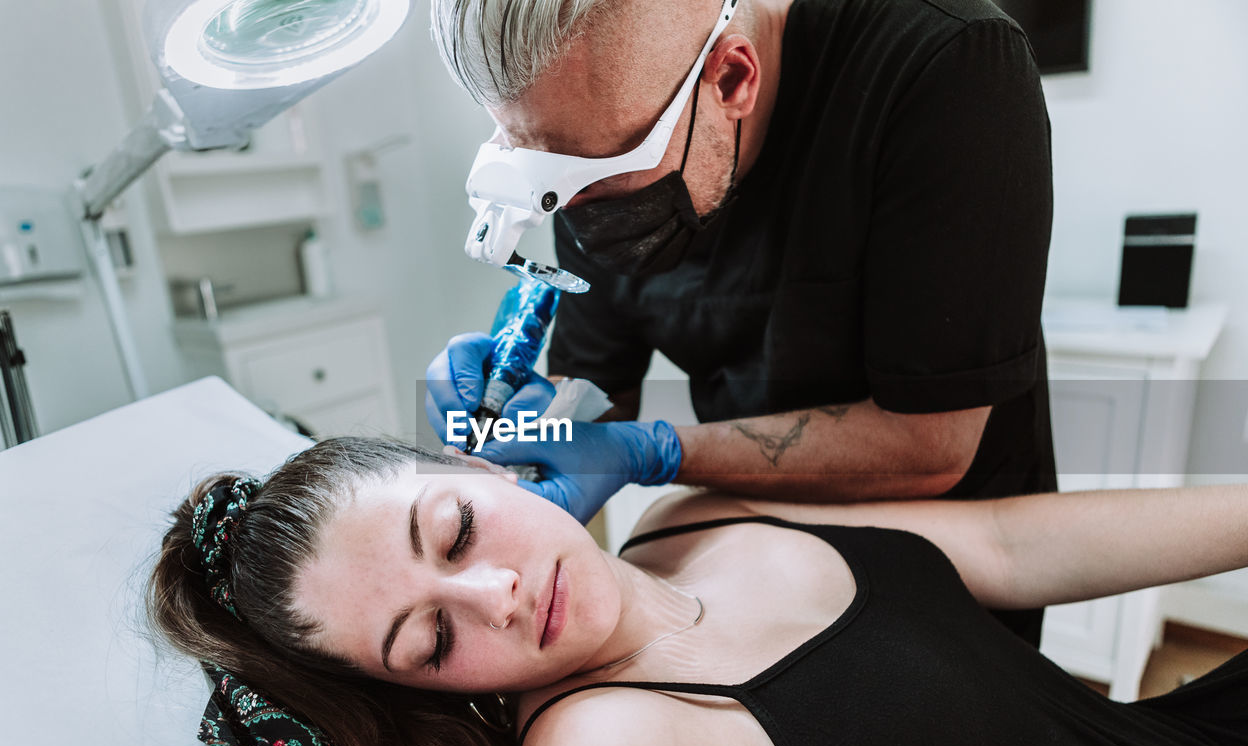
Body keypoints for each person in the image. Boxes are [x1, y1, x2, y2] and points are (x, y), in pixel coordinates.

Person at [151, 436, 1248, 746]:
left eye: (457, 529)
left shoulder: (685, 518)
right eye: (431, 638)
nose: (496, 593)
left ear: (479, 465)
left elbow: (1005, 545)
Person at [424, 0, 1057, 645]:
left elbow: (932, 448)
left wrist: (653, 452)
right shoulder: (592, 132)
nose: (581, 217)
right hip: (766, 565)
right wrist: (534, 427)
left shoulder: (947, 63)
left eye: (596, 177)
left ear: (731, 80)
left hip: (958, 565)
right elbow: (596, 393)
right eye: (545, 170)